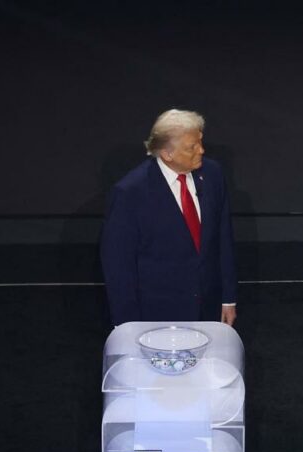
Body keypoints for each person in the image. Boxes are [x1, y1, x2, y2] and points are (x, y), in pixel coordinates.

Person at [101, 109, 238, 327]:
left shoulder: (213, 174)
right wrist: (127, 326)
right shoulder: (131, 193)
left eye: (200, 142)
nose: (201, 150)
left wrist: (228, 298)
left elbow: (223, 239)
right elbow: (119, 266)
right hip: (157, 315)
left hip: (209, 310)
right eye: (192, 147)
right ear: (167, 154)